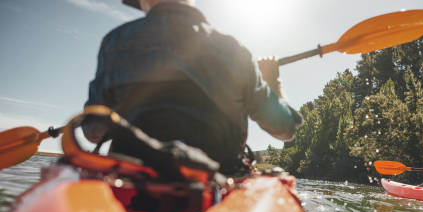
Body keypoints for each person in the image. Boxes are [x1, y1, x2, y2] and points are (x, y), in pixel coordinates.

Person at [84, 0, 302, 175]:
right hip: (216, 181)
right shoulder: (235, 52)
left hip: (131, 178)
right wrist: (273, 81)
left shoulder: (113, 44)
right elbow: (285, 128)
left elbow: (92, 131)